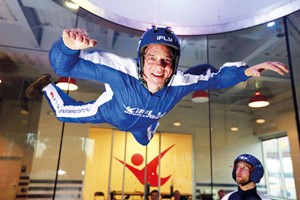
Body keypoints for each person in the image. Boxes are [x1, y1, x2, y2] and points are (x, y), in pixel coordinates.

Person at [25, 26, 289, 146]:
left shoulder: (180, 81)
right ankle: (48, 87)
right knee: (62, 113)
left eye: (166, 59)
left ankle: (147, 129)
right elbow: (64, 66)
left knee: (144, 143)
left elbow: (218, 78)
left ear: (174, 63)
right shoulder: (121, 71)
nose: (159, 67)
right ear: (141, 59)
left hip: (146, 125)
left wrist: (245, 71)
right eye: (152, 58)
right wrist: (68, 48)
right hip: (109, 112)